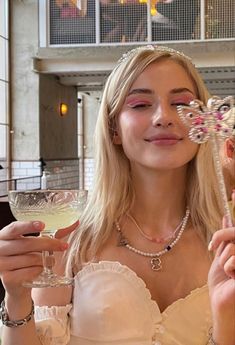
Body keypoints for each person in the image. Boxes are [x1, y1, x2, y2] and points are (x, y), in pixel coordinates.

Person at [0, 45, 235, 345]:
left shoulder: (224, 239)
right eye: (140, 105)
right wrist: (17, 296)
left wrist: (227, 320)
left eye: (180, 103)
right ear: (114, 129)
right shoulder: (71, 239)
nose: (164, 116)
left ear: (202, 120)